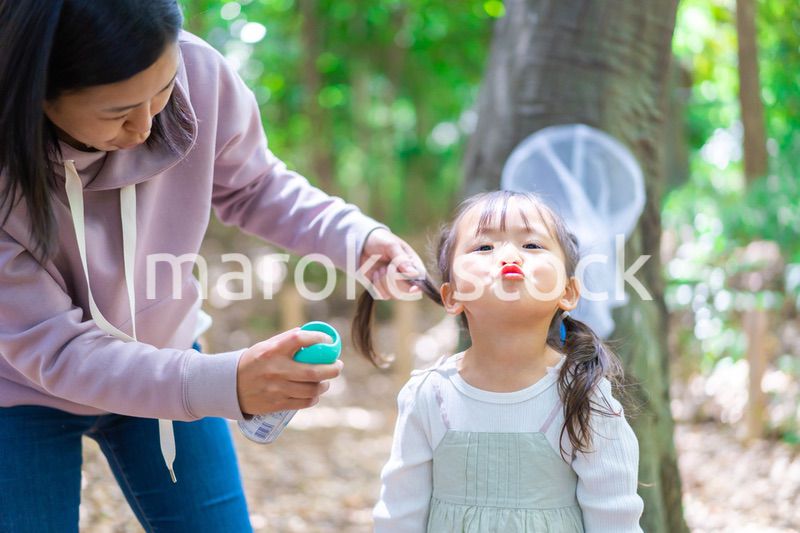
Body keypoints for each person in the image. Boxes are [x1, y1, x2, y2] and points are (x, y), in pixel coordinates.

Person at [0, 1, 424, 531]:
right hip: (18, 393)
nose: (147, 125)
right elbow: (55, 347)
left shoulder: (198, 72)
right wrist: (225, 383)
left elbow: (254, 185)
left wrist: (357, 239)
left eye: (162, 91)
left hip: (168, 355)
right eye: (118, 112)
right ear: (36, 91)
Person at [370, 190, 644, 532]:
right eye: (484, 247)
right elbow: (399, 516)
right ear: (452, 295)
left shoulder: (584, 396)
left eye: (532, 245)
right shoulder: (428, 396)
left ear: (568, 292)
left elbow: (614, 519)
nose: (510, 254)